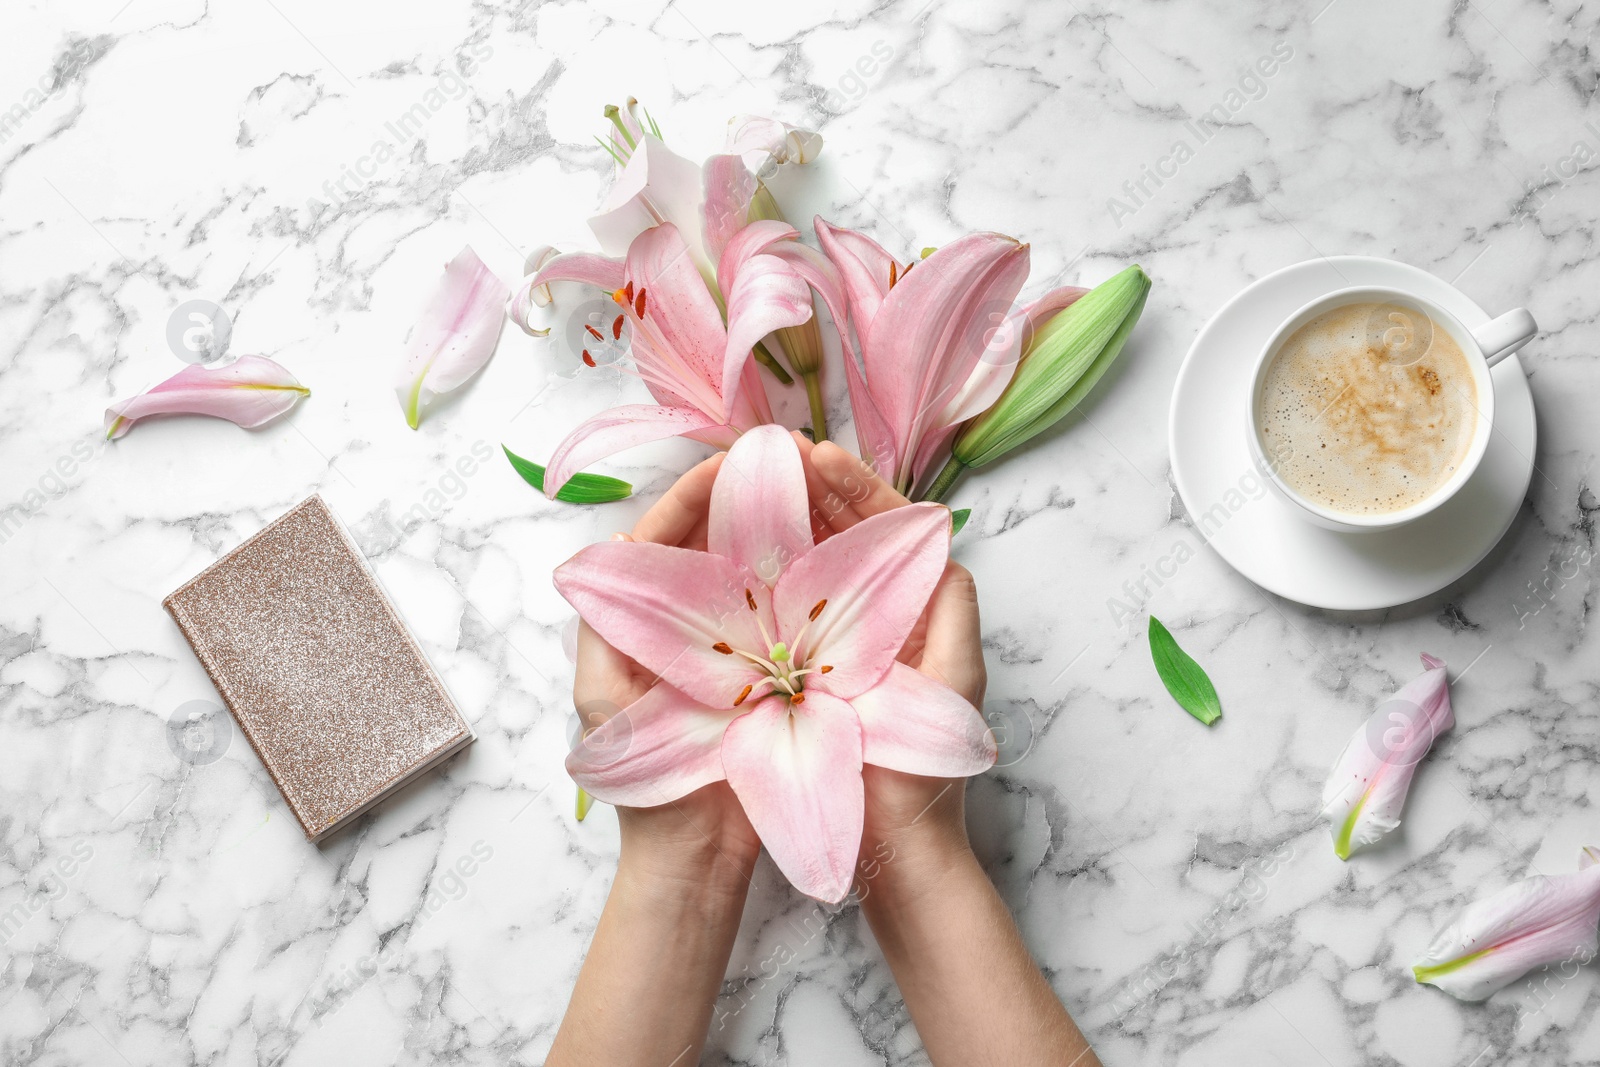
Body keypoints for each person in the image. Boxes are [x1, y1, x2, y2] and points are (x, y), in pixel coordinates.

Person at [545, 438, 1101, 1067]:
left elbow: (950, 734)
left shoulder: (814, 681)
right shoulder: (723, 706)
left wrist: (904, 842)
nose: (780, 665)